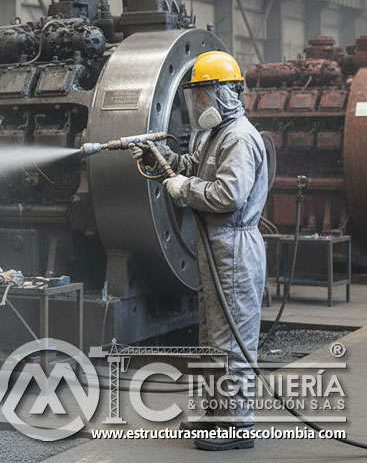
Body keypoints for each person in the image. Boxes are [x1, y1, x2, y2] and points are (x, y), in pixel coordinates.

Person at [131, 51, 268, 451]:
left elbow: (227, 194)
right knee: (212, 336)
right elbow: (193, 165)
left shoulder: (240, 138)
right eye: (196, 98)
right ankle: (216, 415)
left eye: (204, 96)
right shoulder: (217, 134)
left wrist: (182, 188)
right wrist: (164, 161)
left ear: (224, 93)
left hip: (234, 247)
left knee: (233, 337)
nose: (199, 105)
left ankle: (237, 426)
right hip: (216, 246)